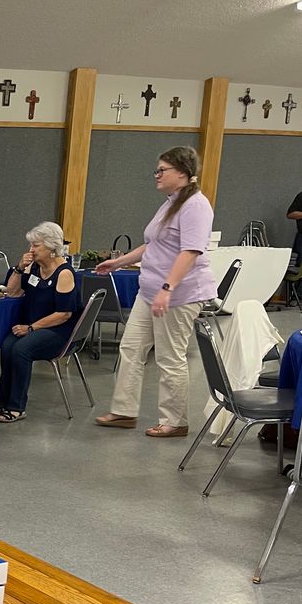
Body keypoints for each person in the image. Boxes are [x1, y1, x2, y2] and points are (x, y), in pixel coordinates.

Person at [95, 146, 217, 437]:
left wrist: (167, 288)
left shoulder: (196, 206)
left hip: (177, 295)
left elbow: (190, 252)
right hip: (149, 291)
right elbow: (154, 244)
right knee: (131, 348)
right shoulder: (171, 202)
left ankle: (176, 421)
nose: (157, 175)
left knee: (169, 357)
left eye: (163, 170)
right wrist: (119, 261)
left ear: (183, 173)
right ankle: (124, 411)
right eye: (157, 170)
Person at [0, 222, 81, 422]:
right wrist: (20, 268)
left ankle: (16, 407)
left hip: (59, 331)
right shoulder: (34, 268)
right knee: (7, 346)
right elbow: (12, 292)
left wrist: (31, 328)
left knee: (22, 349)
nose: (31, 249)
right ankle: (3, 402)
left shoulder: (64, 273)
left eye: (36, 245)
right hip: (31, 327)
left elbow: (63, 314)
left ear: (50, 248)